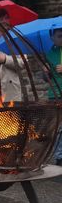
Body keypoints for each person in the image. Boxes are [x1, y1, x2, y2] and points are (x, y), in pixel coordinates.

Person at [45, 28, 62, 166]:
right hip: (55, 95)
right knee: (57, 128)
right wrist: (46, 73)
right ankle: (59, 158)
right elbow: (46, 79)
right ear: (52, 38)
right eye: (59, 36)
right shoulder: (49, 54)